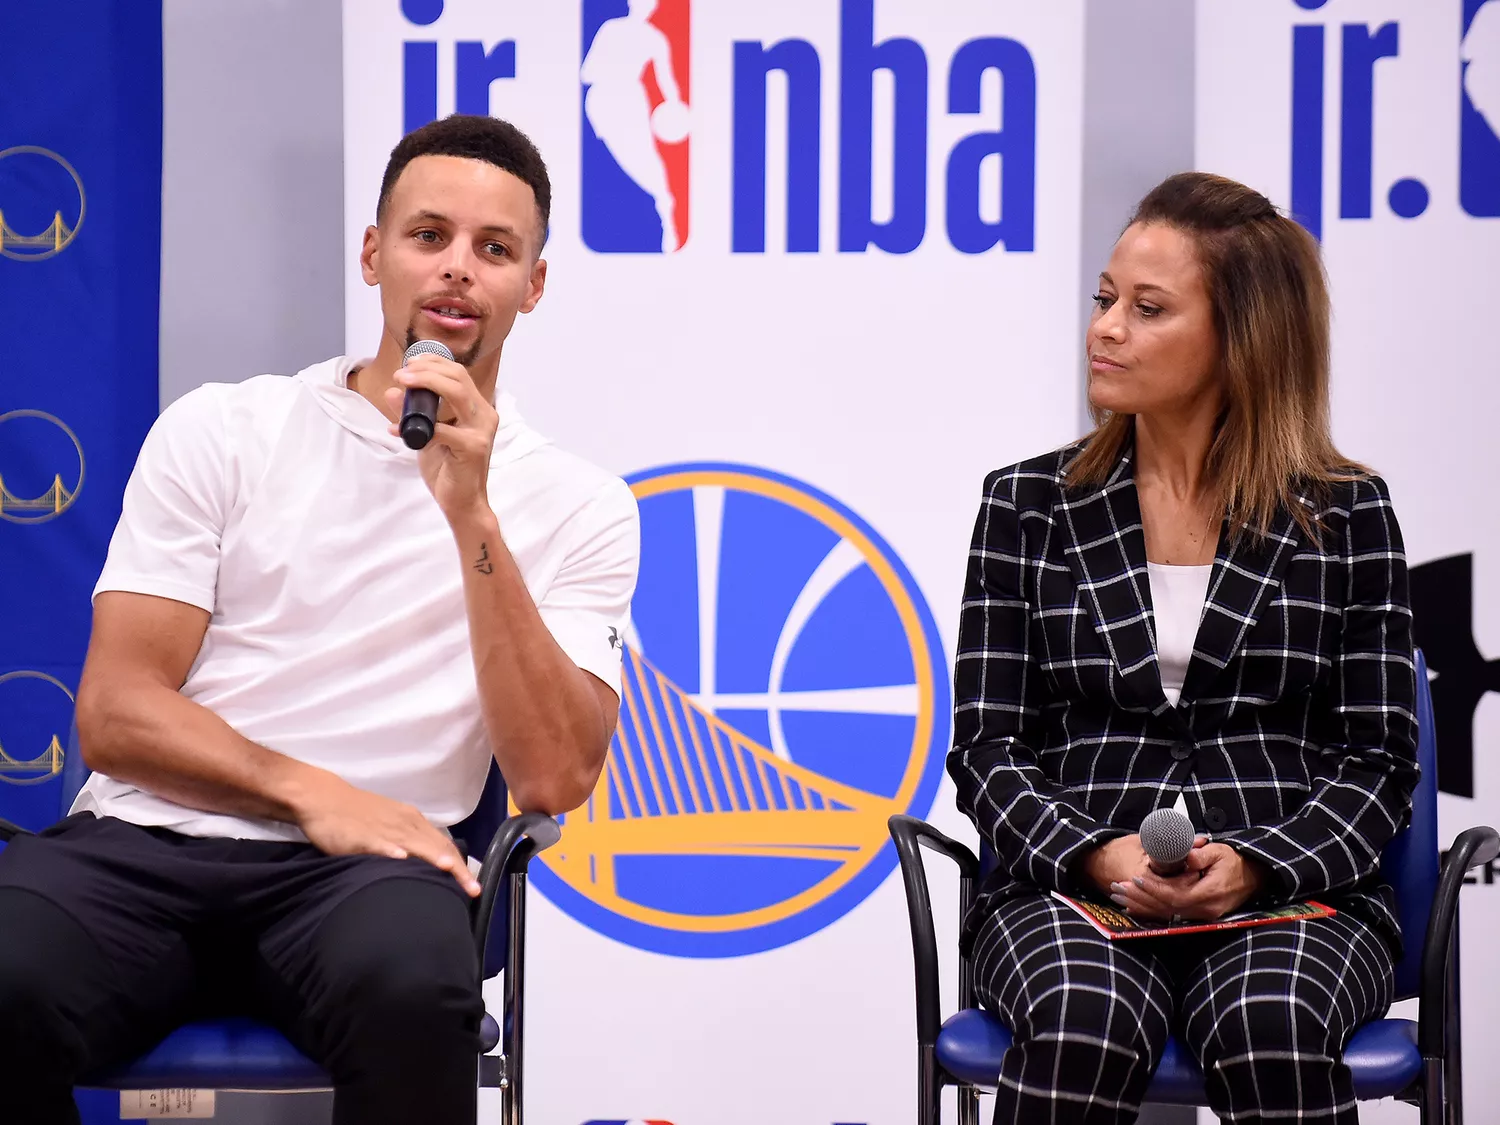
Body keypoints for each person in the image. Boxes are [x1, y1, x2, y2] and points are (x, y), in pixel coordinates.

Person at [0, 114, 639, 1125]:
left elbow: (554, 775)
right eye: (429, 236)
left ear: (535, 286)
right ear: (374, 253)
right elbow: (116, 712)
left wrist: (471, 509)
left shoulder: (578, 502)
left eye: (496, 248)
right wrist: (308, 793)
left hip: (371, 882)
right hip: (147, 842)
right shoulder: (227, 428)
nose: (458, 271)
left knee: (416, 991)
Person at [949, 171, 1418, 1124]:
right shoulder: (1025, 506)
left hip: (1292, 888)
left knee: (1269, 1017)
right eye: (1105, 298)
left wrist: (1257, 863)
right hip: (1069, 882)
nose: (1105, 328)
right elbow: (988, 750)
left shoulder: (1348, 513)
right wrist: (1094, 853)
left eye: (1147, 308)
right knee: (1082, 1013)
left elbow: (1379, 763)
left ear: (1239, 341)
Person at [581, 0, 686, 252]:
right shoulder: (611, 29)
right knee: (614, 160)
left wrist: (675, 106)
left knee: (643, 159)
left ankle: (666, 210)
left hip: (629, 102)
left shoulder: (655, 38)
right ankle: (659, 206)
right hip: (603, 101)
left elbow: (666, 79)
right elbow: (586, 72)